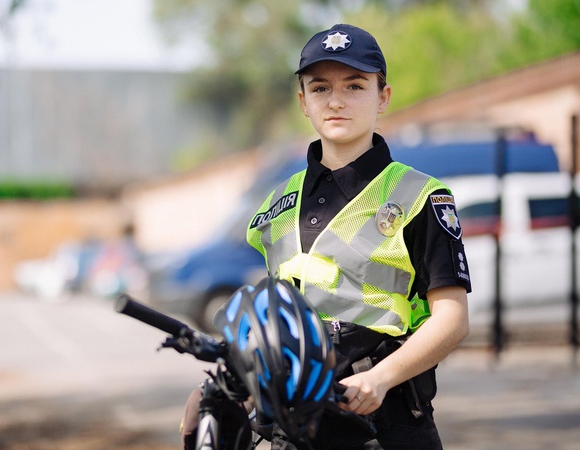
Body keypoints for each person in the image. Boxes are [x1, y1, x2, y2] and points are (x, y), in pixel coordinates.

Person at [181, 23, 471, 450]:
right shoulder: (277, 203)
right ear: (303, 101)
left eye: (355, 86)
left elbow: (453, 320)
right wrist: (233, 388)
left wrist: (380, 378)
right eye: (320, 89)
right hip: (293, 429)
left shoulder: (419, 196)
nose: (335, 101)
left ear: (383, 96)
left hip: (387, 425)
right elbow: (280, 322)